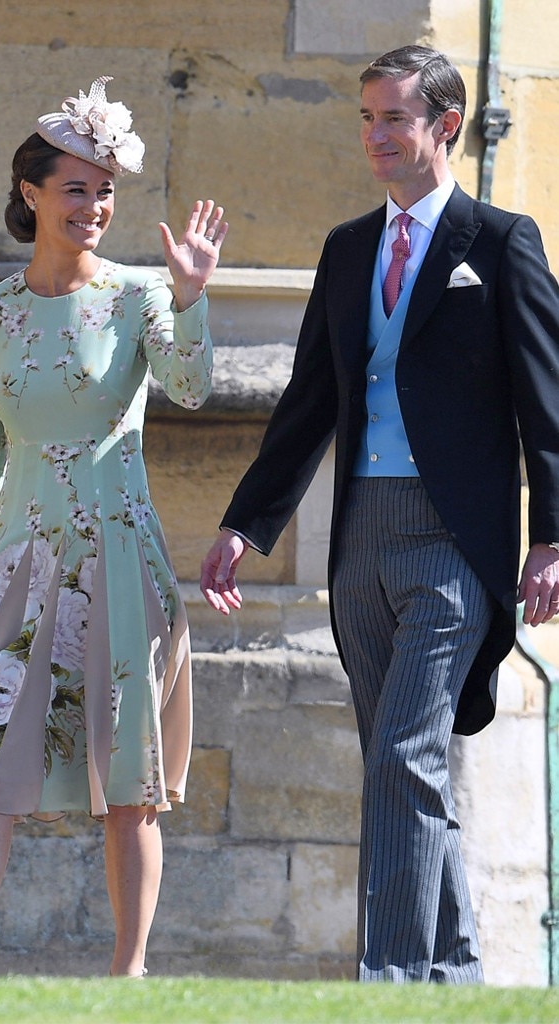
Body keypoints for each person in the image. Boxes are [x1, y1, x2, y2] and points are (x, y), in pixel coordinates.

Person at [200, 45, 559, 983]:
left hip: (455, 544)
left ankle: (390, 983)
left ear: (445, 126)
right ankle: (455, 979)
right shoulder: (347, 247)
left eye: (393, 118)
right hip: (358, 537)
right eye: (365, 118)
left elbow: (547, 407)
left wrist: (552, 538)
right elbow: (309, 402)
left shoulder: (501, 243)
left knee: (404, 755)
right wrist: (247, 523)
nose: (375, 137)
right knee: (401, 768)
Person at [0, 76, 227, 979]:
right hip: (16, 566)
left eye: (105, 190)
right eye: (75, 187)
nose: (94, 206)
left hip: (119, 565)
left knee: (130, 787)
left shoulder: (139, 296)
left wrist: (194, 295)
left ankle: (129, 977)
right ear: (30, 194)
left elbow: (191, 386)